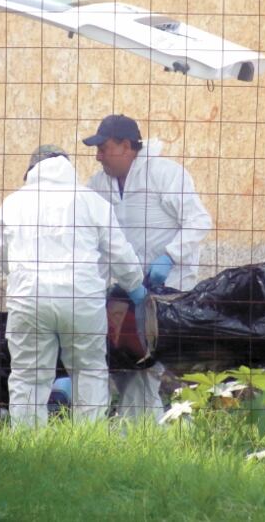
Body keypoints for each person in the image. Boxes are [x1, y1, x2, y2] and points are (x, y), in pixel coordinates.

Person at [0, 145, 146, 427]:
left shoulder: (12, 203)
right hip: (81, 299)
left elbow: (4, 259)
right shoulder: (93, 202)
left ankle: (26, 444)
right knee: (89, 371)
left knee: (28, 375)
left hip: (29, 298)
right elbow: (119, 253)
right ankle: (87, 442)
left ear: (32, 171)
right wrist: (136, 285)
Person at [84, 114, 213, 421]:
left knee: (148, 364)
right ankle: (146, 429)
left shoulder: (165, 174)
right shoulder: (98, 184)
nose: (98, 156)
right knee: (129, 362)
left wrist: (169, 256)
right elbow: (95, 239)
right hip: (126, 290)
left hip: (168, 290)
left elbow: (199, 221)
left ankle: (143, 430)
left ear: (126, 146)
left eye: (103, 148)